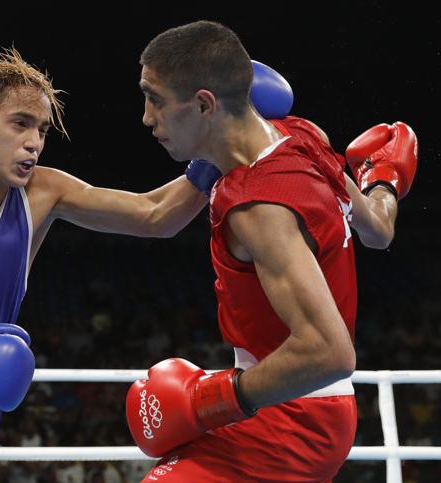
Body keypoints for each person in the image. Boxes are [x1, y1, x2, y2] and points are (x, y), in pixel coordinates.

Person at [0, 47, 290, 482]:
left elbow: (156, 215)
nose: (33, 143)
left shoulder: (41, 194)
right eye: (19, 124)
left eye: (42, 130)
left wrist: (224, 138)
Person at [125, 21, 418, 482]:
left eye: (155, 98)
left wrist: (205, 400)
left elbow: (330, 352)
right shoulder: (303, 137)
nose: (146, 116)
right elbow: (377, 230)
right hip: (301, 405)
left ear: (204, 104)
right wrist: (385, 180)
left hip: (292, 416)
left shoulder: (259, 206)